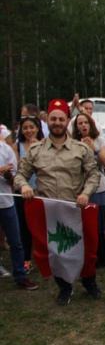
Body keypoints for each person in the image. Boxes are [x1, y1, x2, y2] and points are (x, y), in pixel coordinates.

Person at [15, 99, 101, 304]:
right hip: (50, 213)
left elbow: (94, 176)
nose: (57, 122)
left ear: (67, 121)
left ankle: (89, 282)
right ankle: (64, 287)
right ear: (47, 121)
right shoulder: (35, 151)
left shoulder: (81, 149)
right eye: (53, 119)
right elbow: (20, 175)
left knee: (85, 249)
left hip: (75, 209)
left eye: (61, 119)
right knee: (56, 251)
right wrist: (25, 186)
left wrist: (86, 193)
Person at [71, 112, 105, 268]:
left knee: (103, 222)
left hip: (100, 185)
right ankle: (92, 257)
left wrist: (94, 148)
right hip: (81, 187)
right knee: (89, 224)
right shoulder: (72, 143)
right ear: (76, 127)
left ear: (90, 125)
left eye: (85, 122)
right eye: (80, 123)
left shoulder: (99, 140)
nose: (83, 125)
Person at [0, 137, 37, 290]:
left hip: (6, 202)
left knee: (16, 241)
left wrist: (7, 174)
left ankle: (20, 276)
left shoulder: (5, 149)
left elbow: (14, 179)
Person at [12, 116, 44, 273]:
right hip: (22, 193)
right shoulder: (16, 147)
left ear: (38, 128)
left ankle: (46, 257)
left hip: (42, 192)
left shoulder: (45, 145)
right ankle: (26, 259)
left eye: (32, 127)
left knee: (42, 227)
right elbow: (14, 171)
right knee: (24, 228)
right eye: (25, 128)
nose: (29, 130)